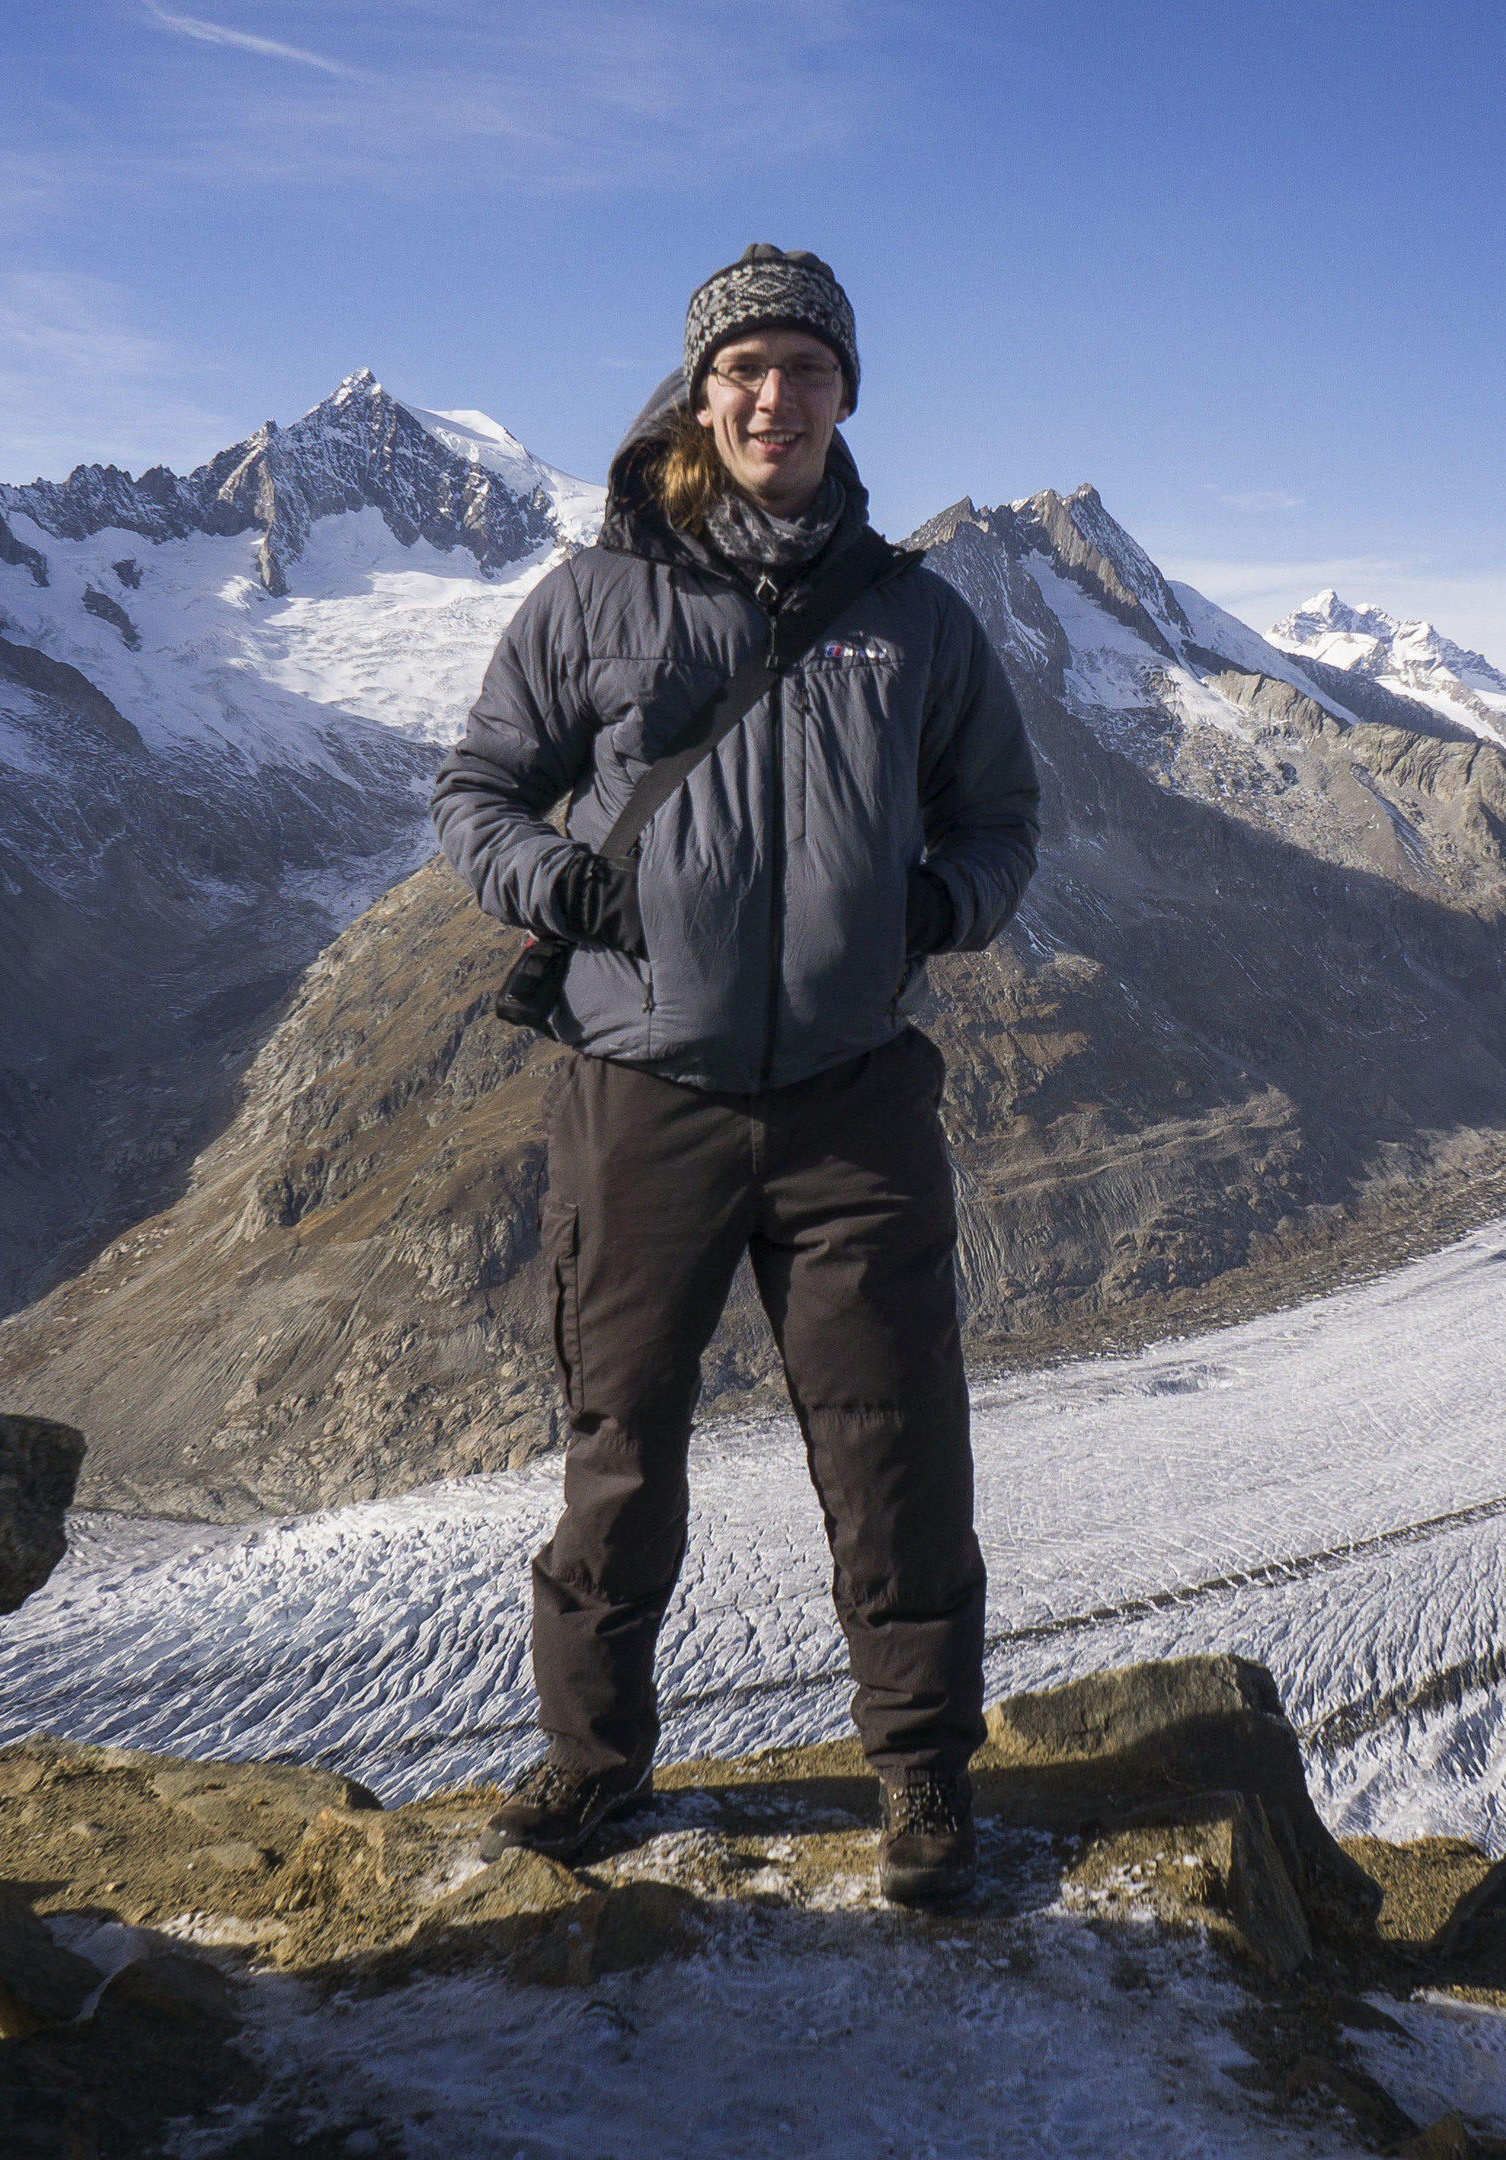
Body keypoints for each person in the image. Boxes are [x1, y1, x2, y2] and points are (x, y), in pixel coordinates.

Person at [430, 244, 1039, 1905]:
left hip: (854, 1096)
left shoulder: (911, 617)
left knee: (894, 1437)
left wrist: (937, 905)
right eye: (746, 368)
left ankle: (920, 1780)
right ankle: (590, 1761)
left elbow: (1000, 815)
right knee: (619, 1441)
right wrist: (555, 884)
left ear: (847, 395)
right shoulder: (592, 597)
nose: (776, 397)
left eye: (807, 369)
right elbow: (478, 790)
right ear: (698, 395)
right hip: (641, 1093)